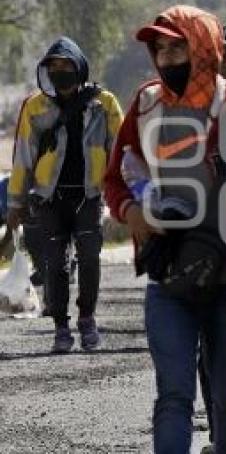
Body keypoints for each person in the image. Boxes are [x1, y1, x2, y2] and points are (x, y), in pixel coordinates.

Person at [104, 5, 226, 453]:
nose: (168, 58)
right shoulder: (147, 104)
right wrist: (130, 211)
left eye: (179, 46)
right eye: (161, 48)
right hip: (168, 279)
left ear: (204, 49)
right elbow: (115, 178)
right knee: (173, 397)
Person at [6, 37, 123, 353]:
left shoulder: (105, 104)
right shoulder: (36, 106)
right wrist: (15, 203)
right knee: (54, 264)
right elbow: (23, 158)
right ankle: (61, 325)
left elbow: (121, 153)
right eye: (53, 67)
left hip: (88, 196)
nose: (60, 72)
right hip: (49, 199)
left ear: (79, 67)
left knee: (88, 258)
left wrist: (124, 197)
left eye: (66, 65)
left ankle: (87, 318)